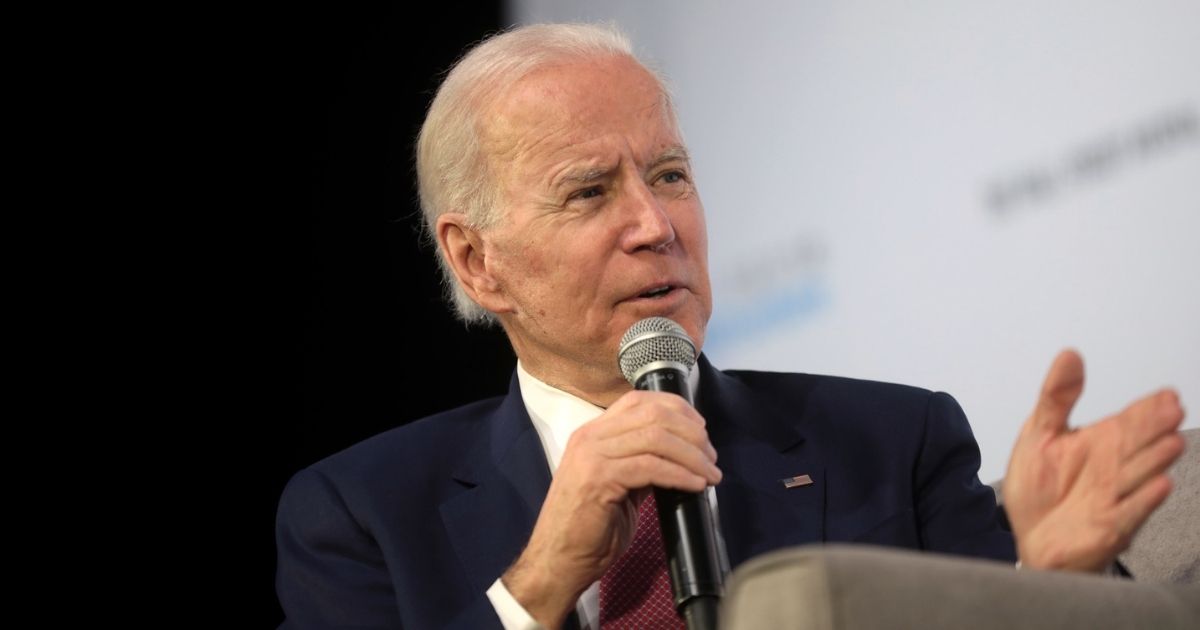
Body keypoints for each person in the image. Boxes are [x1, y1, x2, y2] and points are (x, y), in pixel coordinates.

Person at [276, 22, 1186, 629]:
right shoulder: (359, 514)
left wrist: (1041, 590)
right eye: (591, 192)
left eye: (668, 174)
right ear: (478, 262)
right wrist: (542, 579)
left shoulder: (895, 442)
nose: (655, 224)